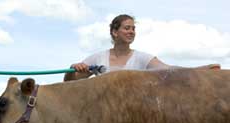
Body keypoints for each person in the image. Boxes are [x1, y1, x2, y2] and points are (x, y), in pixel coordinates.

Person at [64, 14, 220, 81]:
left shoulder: (142, 58)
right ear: (114, 32)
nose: (131, 32)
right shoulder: (98, 58)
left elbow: (169, 70)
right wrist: (73, 69)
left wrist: (199, 70)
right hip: (105, 120)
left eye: (133, 28)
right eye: (127, 28)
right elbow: (70, 83)